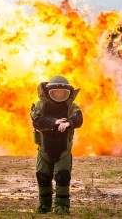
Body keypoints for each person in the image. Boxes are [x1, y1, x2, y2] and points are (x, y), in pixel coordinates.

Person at [30, 75, 83, 215]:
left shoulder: (71, 106)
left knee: (63, 177)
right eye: (56, 92)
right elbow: (37, 121)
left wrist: (69, 123)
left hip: (63, 151)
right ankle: (44, 206)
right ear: (48, 92)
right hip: (44, 150)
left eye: (63, 93)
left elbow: (79, 118)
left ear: (69, 93)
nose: (59, 95)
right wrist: (54, 122)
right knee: (42, 176)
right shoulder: (39, 105)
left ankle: (62, 207)